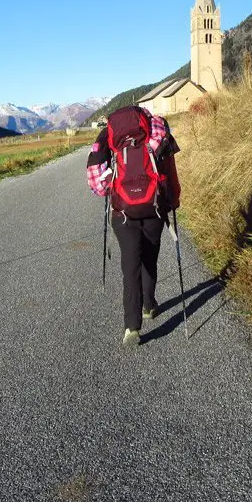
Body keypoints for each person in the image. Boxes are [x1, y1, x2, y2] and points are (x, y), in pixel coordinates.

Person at [86, 106, 181, 346]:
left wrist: (112, 187)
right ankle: (149, 306)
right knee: (150, 257)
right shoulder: (158, 127)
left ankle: (132, 326)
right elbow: (169, 167)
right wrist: (173, 200)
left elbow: (95, 172)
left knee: (130, 265)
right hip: (154, 207)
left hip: (122, 212)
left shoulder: (109, 133)